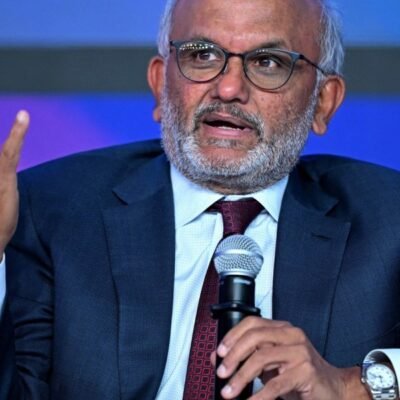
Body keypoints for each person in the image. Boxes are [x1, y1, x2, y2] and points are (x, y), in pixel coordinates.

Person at [0, 0, 399, 399]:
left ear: (323, 101)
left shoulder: (388, 218)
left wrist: (355, 385)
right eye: (203, 55)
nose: (228, 89)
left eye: (268, 63)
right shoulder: (48, 209)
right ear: (160, 84)